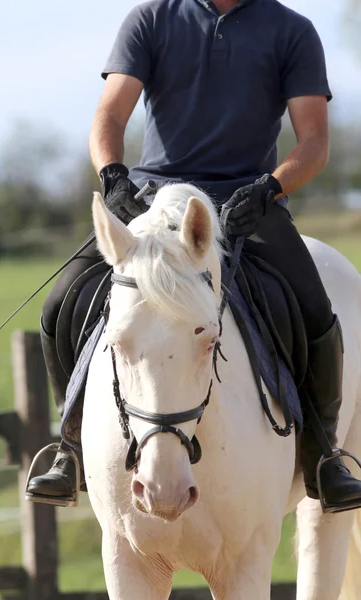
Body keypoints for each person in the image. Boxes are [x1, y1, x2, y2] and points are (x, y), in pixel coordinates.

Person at [26, 0, 361, 512]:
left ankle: (323, 456)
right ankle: (69, 447)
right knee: (57, 306)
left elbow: (314, 143)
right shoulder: (151, 19)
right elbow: (109, 115)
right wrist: (113, 176)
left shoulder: (292, 30)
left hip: (246, 203)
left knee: (316, 312)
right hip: (153, 200)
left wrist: (269, 188)